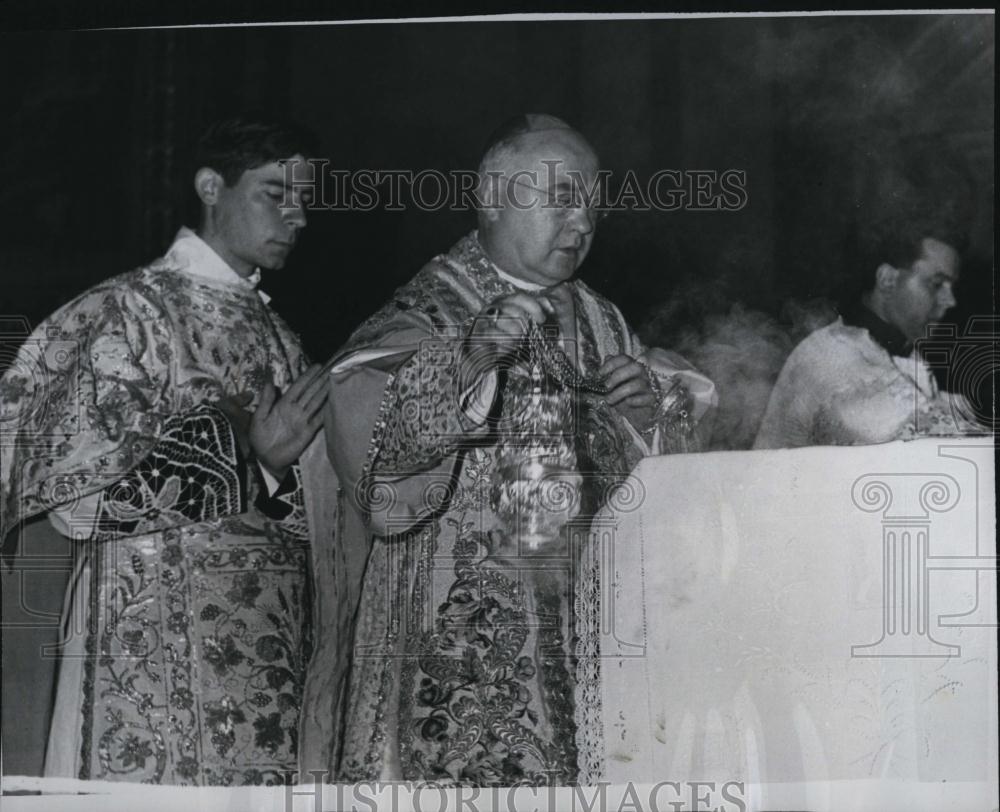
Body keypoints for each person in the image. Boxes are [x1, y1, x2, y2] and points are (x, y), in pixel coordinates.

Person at [299, 114, 715, 785]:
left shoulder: (603, 320)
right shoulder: (431, 306)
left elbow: (651, 484)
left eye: (592, 206)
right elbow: (365, 438)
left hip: (583, 623)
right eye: (561, 199)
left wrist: (648, 415)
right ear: (492, 199)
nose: (581, 223)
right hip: (451, 631)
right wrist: (471, 360)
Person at [0, 115, 329, 785]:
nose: (298, 214)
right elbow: (71, 496)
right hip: (149, 638)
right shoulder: (126, 311)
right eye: (276, 192)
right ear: (211, 186)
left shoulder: (278, 333)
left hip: (265, 651)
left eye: (305, 197)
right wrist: (253, 463)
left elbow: (314, 493)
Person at [754, 214, 969, 449]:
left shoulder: (900, 349)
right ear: (887, 279)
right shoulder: (832, 355)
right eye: (936, 284)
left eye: (951, 287)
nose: (950, 300)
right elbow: (926, 439)